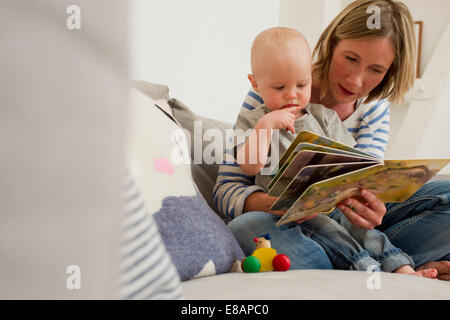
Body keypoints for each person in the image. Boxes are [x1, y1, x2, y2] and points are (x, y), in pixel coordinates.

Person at [214, 0, 450, 279]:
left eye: (376, 69)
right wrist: (278, 203)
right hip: (286, 220)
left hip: (346, 220)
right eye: (350, 58)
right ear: (331, 44)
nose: (355, 80)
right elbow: (227, 188)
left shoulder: (366, 110)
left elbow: (362, 175)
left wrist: (373, 205)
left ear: (391, 71)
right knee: (247, 227)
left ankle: (387, 265)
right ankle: (375, 268)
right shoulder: (271, 91)